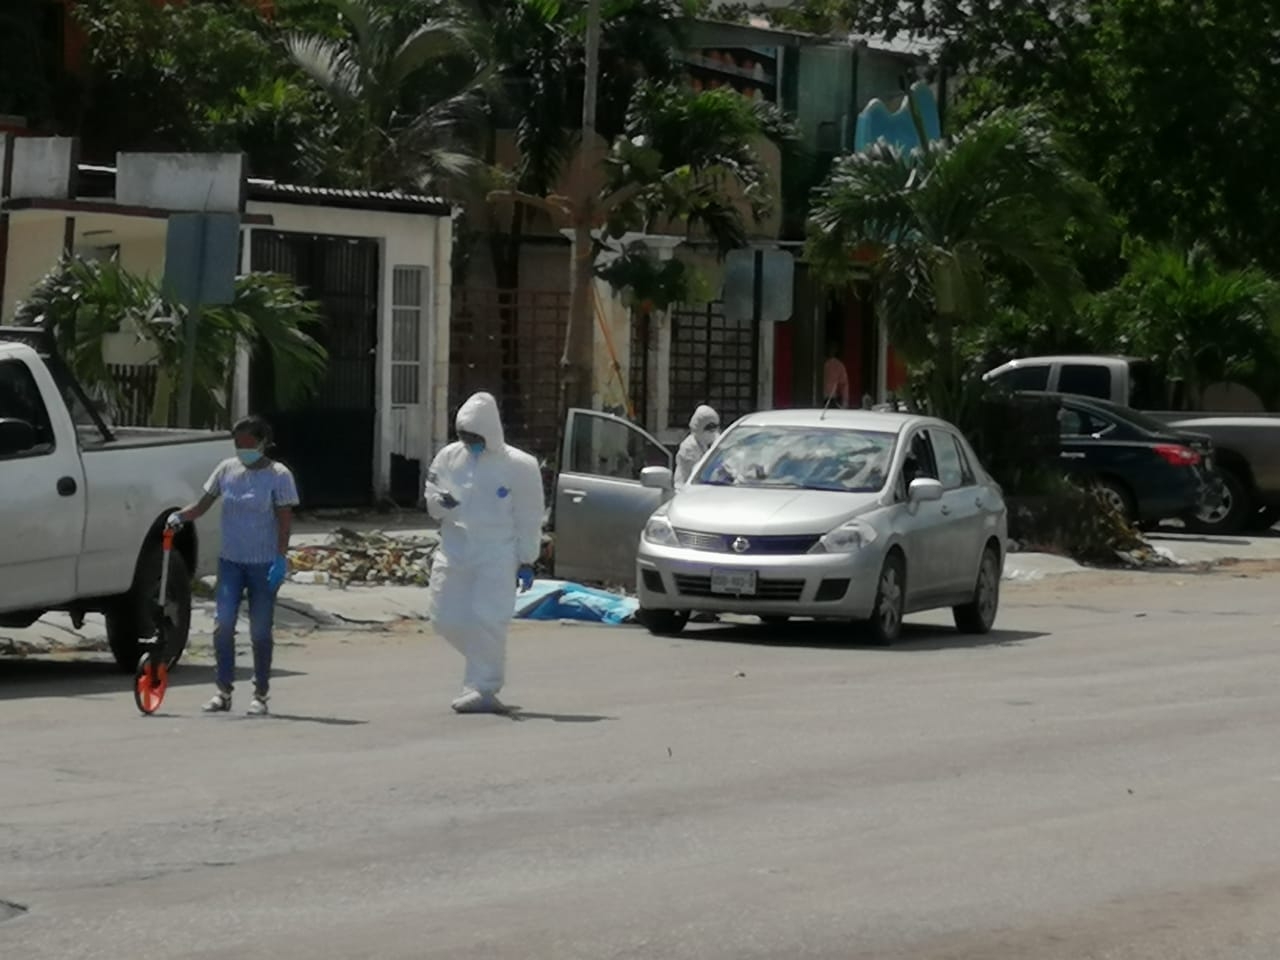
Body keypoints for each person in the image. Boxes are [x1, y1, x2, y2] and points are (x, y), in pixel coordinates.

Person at [169, 415, 298, 716]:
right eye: (238, 444)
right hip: (231, 562)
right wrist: (179, 517)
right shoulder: (226, 470)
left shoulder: (279, 475)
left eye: (249, 444)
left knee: (260, 630)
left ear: (263, 443)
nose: (243, 449)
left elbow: (284, 519)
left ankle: (261, 693)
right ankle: (223, 690)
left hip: (263, 563)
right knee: (223, 625)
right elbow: (202, 505)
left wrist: (281, 557)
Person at [424, 392, 544, 714]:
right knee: (444, 618)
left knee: (488, 619)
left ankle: (484, 687)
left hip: (497, 553)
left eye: (474, 437)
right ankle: (484, 664)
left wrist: (527, 559)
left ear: (489, 433)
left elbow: (530, 516)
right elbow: (431, 496)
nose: (467, 442)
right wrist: (441, 504)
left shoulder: (520, 466)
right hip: (454, 549)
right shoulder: (449, 457)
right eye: (463, 436)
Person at [674, 404, 720, 487]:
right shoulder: (688, 447)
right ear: (699, 428)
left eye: (715, 427)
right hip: (686, 488)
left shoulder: (716, 440)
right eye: (709, 428)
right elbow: (697, 472)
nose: (713, 431)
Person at [823, 341, 850, 409]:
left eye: (833, 348)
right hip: (820, 399)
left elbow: (844, 385)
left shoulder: (838, 365)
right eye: (830, 348)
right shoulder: (820, 363)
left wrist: (845, 402)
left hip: (831, 399)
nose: (831, 350)